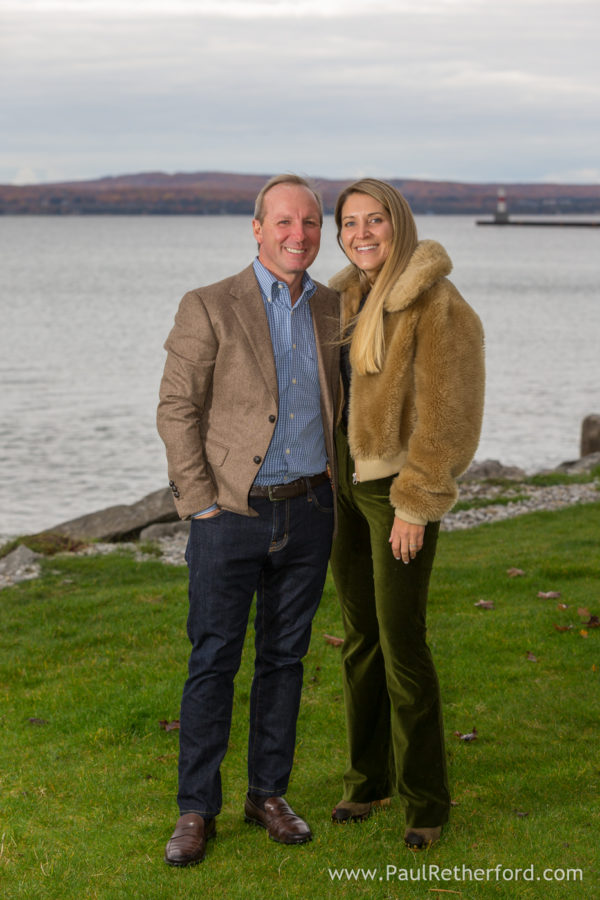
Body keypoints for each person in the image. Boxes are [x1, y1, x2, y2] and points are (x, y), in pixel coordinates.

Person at [156, 174, 339, 867]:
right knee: (213, 660)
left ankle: (268, 795)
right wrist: (200, 501)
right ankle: (195, 808)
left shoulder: (334, 308)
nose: (299, 235)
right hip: (230, 514)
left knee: (285, 660)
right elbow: (177, 407)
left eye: (311, 222)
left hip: (310, 510)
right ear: (257, 228)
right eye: (284, 221)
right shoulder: (208, 305)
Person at [328, 178, 485, 850]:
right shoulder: (344, 298)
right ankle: (368, 780)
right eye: (350, 222)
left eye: (375, 220)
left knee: (402, 644)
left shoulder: (437, 303)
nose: (361, 233)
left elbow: (451, 416)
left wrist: (417, 503)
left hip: (395, 493)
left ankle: (426, 801)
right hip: (340, 485)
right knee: (359, 640)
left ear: (400, 225)